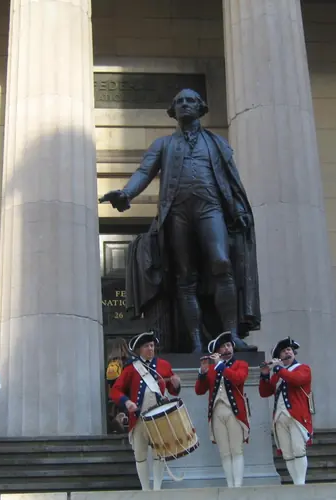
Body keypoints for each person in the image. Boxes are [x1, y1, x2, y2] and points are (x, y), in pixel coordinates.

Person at [99, 88, 260, 354]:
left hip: (211, 208)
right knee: (185, 277)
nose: (185, 104)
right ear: (173, 111)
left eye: (190, 101)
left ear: (201, 108)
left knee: (222, 262)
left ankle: (230, 335)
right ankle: (195, 342)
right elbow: (144, 172)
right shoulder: (163, 144)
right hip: (177, 213)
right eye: (179, 102)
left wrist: (239, 209)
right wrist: (126, 193)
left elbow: (231, 179)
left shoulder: (216, 143)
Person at [109, 332, 181, 491]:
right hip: (139, 418)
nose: (150, 348)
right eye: (147, 346)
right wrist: (126, 401)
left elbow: (173, 391)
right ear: (140, 349)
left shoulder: (164, 365)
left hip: (159, 418)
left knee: (159, 454)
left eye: (152, 345)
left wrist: (176, 384)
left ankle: (157, 490)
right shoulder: (130, 369)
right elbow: (115, 391)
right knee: (140, 456)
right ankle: (145, 490)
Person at [195, 332, 250, 488]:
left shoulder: (241, 364)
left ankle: (237, 486)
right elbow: (199, 390)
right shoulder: (212, 369)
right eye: (223, 346)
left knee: (236, 450)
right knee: (224, 452)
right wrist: (203, 373)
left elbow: (238, 379)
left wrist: (220, 366)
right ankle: (230, 485)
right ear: (217, 352)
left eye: (228, 345)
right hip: (217, 413)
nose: (227, 348)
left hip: (234, 412)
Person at [258, 337, 313, 485]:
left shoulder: (303, 368)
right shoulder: (278, 374)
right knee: (287, 453)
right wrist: (264, 374)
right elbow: (265, 392)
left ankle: (300, 484)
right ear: (279, 356)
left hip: (296, 416)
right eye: (283, 351)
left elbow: (295, 380)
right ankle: (296, 483)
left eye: (289, 349)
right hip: (279, 416)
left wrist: (278, 368)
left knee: (298, 449)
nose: (287, 352)